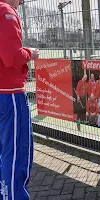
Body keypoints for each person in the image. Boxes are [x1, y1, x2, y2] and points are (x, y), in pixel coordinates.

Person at [0, 0, 40, 199]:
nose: (21, 2)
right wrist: (31, 53)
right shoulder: (5, 11)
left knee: (4, 151)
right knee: (16, 153)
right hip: (9, 94)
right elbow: (12, 57)